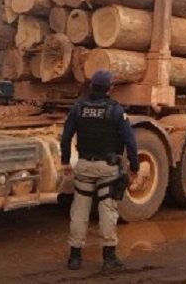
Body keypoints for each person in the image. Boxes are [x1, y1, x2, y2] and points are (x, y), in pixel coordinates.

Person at [60, 70, 140, 271]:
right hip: (107, 168)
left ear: (91, 86)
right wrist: (135, 167)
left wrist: (65, 161)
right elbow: (130, 141)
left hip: (84, 165)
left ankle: (75, 258)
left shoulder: (78, 108)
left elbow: (66, 136)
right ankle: (109, 257)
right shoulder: (114, 110)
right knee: (107, 210)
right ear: (109, 89)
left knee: (79, 211)